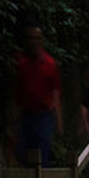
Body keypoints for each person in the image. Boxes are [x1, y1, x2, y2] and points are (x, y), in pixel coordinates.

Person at [14, 19, 63, 169]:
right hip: (26, 115)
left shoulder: (49, 64)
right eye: (31, 38)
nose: (34, 42)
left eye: (37, 38)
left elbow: (55, 94)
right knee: (24, 156)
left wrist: (59, 121)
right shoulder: (21, 64)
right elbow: (17, 93)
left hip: (44, 117)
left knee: (42, 158)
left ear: (41, 40)